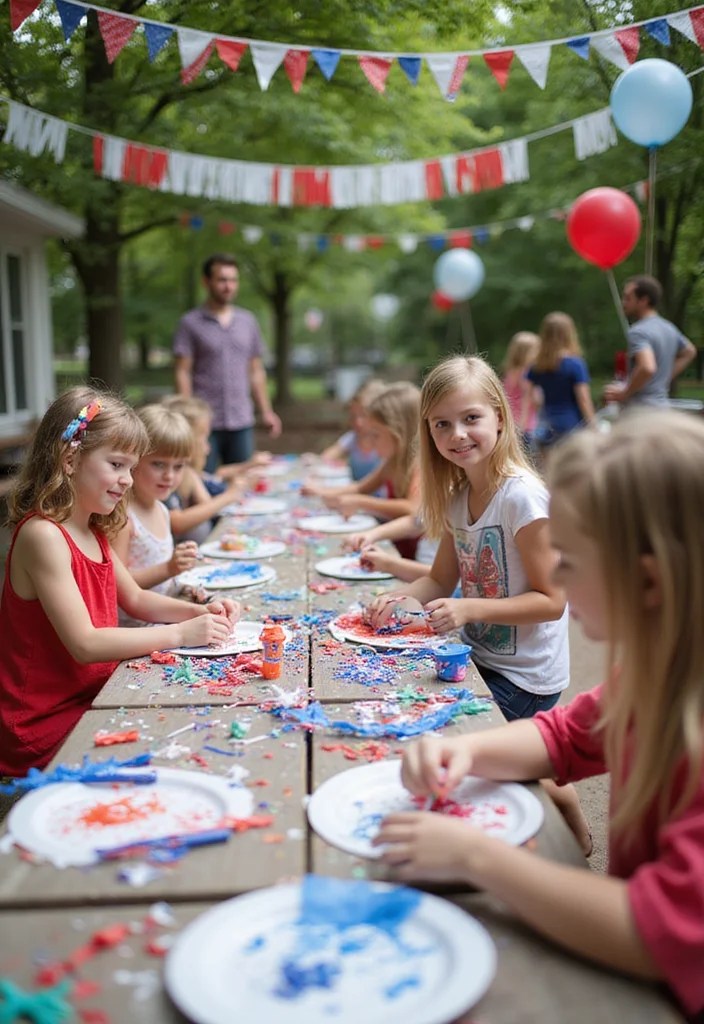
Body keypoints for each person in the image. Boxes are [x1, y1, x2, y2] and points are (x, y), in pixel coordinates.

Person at [375, 411, 704, 1021]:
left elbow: (661, 933)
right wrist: (466, 750)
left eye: (569, 562)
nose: (558, 579)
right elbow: (565, 735)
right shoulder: (656, 671)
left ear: (648, 581)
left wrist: (477, 857)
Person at [368, 355, 589, 852]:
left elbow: (552, 600)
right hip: (478, 656)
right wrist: (394, 598)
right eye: (442, 424)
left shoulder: (522, 497)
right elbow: (439, 579)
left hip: (525, 674)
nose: (458, 434)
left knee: (458, 751)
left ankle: (558, 801)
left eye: (471, 418)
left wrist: (469, 609)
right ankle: (544, 778)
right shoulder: (455, 495)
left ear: (500, 417)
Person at [0, 387, 239, 777]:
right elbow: (85, 643)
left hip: (95, 696)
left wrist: (202, 612)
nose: (127, 480)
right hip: (43, 723)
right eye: (116, 465)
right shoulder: (43, 536)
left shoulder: (92, 529)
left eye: (131, 468)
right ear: (70, 459)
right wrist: (180, 633)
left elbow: (137, 599)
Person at [173, 253, 282, 469]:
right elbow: (182, 371)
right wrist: (186, 414)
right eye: (222, 280)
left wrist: (266, 411)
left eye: (233, 280)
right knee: (202, 479)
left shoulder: (248, 321)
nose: (228, 286)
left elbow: (256, 371)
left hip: (241, 419)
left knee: (243, 478)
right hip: (204, 422)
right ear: (206, 282)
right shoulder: (190, 323)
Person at [303, 382, 422, 554]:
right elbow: (360, 488)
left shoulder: (421, 466)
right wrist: (322, 492)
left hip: (418, 556)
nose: (371, 442)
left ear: (399, 434)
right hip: (397, 547)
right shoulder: (391, 462)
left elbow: (412, 509)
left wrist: (360, 503)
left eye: (376, 435)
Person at [111, 405, 199, 622]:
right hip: (136, 628)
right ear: (134, 460)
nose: (169, 476)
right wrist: (168, 568)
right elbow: (117, 585)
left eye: (179, 466)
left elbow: (163, 585)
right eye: (159, 464)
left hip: (163, 617)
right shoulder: (123, 517)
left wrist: (183, 587)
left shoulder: (162, 509)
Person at [160, 395, 248, 545]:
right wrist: (229, 496)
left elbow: (209, 505)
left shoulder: (190, 475)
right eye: (204, 436)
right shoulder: (166, 479)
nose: (207, 447)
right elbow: (177, 523)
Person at [604, 275, 696, 409]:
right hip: (662, 408)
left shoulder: (638, 331)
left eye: (628, 298)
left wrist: (625, 393)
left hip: (641, 411)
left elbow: (647, 367)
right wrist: (662, 378)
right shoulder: (669, 328)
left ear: (643, 301)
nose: (623, 303)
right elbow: (689, 351)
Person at [527, 312, 595, 449]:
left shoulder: (537, 366)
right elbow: (583, 399)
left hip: (547, 426)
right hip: (571, 425)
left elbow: (532, 397)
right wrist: (593, 425)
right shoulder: (575, 364)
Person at [320, 378, 386, 481]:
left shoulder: (384, 444)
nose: (358, 422)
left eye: (363, 415)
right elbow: (328, 455)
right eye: (353, 416)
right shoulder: (352, 438)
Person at [501, 331, 541, 448]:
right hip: (526, 426)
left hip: (512, 424)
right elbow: (531, 399)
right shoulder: (527, 375)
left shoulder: (510, 373)